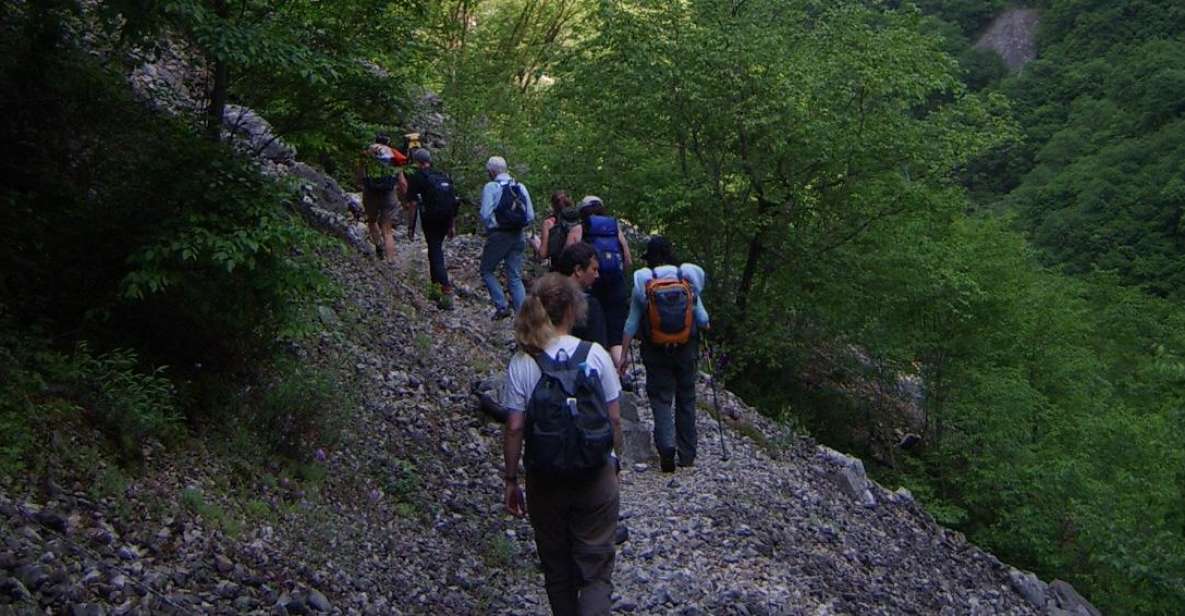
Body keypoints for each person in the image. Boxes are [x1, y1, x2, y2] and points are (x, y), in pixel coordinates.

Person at [501, 273, 623, 616]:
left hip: (545, 478)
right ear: (571, 310)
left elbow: (514, 426)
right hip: (594, 474)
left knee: (557, 571)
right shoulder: (595, 354)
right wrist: (614, 463)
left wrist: (511, 480)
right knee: (596, 572)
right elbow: (614, 419)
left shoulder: (523, 361)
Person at [620, 236, 710, 472]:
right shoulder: (686, 278)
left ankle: (666, 447)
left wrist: (623, 357)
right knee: (686, 399)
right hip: (686, 350)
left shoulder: (645, 282)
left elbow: (631, 323)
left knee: (660, 399)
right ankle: (688, 454)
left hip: (656, 351)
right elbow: (703, 320)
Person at [402, 148, 459, 310]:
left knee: (435, 251)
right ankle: (434, 290)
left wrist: (410, 227)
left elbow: (412, 204)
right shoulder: (442, 176)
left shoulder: (417, 177)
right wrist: (452, 225)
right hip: (445, 219)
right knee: (435, 249)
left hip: (431, 219)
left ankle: (446, 289)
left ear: (416, 162)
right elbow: (453, 202)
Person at [480, 156, 535, 320]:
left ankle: (501, 305)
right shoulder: (520, 186)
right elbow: (530, 215)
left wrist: (494, 225)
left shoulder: (491, 187)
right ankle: (524, 317)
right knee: (515, 276)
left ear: (491, 171)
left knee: (487, 270)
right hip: (518, 235)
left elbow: (485, 214)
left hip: (499, 235)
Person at [355, 133, 408, 263]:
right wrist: (405, 200)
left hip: (370, 192)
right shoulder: (392, 156)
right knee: (387, 228)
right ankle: (390, 260)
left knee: (372, 221)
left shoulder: (367, 155)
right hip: (388, 193)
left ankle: (378, 246)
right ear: (388, 142)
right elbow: (402, 182)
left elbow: (360, 175)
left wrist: (361, 184)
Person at [556, 242, 608, 349]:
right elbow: (597, 349)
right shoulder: (590, 306)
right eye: (594, 269)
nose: (597, 275)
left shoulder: (543, 299)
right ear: (578, 270)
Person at [533, 191, 581, 272]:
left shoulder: (549, 223)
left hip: (558, 268)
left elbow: (542, 254)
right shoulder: (580, 221)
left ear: (553, 205)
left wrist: (534, 243)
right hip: (577, 269)